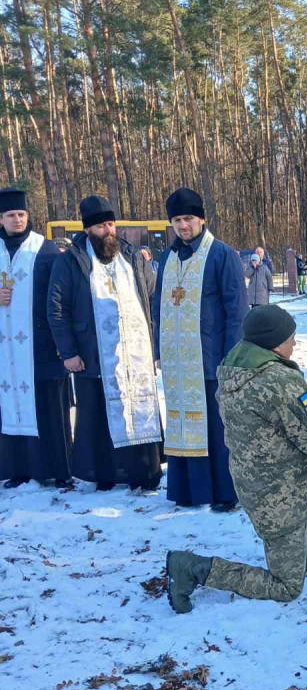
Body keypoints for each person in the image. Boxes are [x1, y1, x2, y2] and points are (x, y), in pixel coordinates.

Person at [166, 305, 307, 610]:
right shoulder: (277, 381)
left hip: (257, 483)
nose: (294, 343)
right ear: (273, 342)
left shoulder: (236, 367)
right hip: (281, 499)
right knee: (286, 587)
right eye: (290, 337)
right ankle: (194, 568)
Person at [47, 195, 162, 492]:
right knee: (98, 414)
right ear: (87, 230)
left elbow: (151, 298)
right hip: (93, 353)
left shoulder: (132, 255)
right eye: (100, 226)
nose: (108, 231)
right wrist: (69, 352)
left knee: (139, 409)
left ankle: (144, 473)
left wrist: (155, 346)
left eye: (111, 224)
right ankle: (105, 475)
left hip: (135, 353)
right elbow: (57, 308)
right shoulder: (71, 261)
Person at [152, 187, 247, 512]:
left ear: (201, 219)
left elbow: (237, 310)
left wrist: (231, 358)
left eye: (188, 219)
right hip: (178, 362)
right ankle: (187, 490)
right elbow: (157, 307)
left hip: (211, 358)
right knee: (180, 423)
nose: (182, 226)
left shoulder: (222, 254)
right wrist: (158, 350)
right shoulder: (167, 257)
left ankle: (224, 492)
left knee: (215, 430)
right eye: (177, 220)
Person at [0, 187, 72, 488]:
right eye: (10, 215)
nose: (17, 220)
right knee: (8, 404)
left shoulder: (45, 250)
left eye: (21, 214)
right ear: (0, 219)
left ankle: (56, 469)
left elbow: (61, 297)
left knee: (48, 408)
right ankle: (17, 469)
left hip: (40, 346)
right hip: (5, 351)